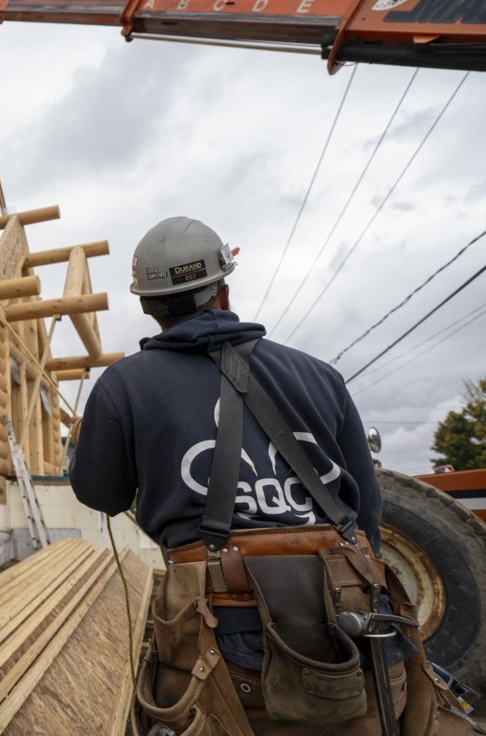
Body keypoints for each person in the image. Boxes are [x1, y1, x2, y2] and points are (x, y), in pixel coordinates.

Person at [71, 217, 479, 735]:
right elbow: (367, 508)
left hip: (221, 640)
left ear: (149, 306)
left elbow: (101, 494)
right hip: (356, 626)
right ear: (223, 291)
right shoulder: (319, 375)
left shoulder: (124, 385)